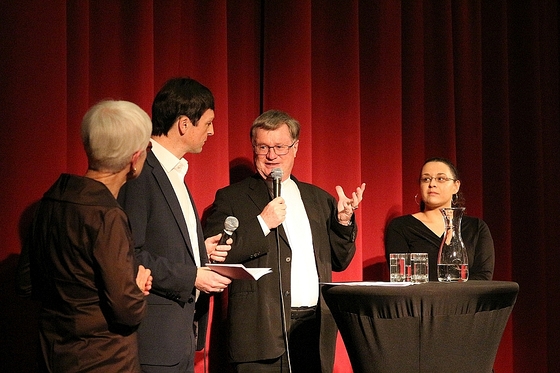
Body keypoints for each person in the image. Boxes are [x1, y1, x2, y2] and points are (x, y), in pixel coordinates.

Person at [203, 109, 366, 373]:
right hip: (259, 334)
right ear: (254, 148)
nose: (271, 155)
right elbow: (218, 255)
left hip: (313, 328)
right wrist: (262, 223)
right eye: (263, 147)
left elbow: (340, 261)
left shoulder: (318, 199)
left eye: (280, 146)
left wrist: (344, 222)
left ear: (295, 147)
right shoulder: (231, 197)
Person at [16, 100, 154, 372]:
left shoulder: (50, 201)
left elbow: (26, 284)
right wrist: (136, 290)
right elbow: (127, 312)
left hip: (52, 355)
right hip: (103, 360)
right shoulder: (107, 216)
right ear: (134, 158)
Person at [117, 77, 232, 373]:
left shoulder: (174, 171)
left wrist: (198, 251)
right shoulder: (142, 172)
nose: (212, 131)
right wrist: (192, 275)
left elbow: (163, 242)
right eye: (207, 123)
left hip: (180, 336)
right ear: (184, 124)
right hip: (155, 338)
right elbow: (131, 255)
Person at [384, 157, 495, 281]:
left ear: (456, 186)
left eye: (440, 179)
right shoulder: (401, 227)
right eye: (426, 179)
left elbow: (483, 277)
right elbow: (402, 278)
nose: (432, 184)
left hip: (466, 300)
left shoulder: (476, 227)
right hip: (419, 300)